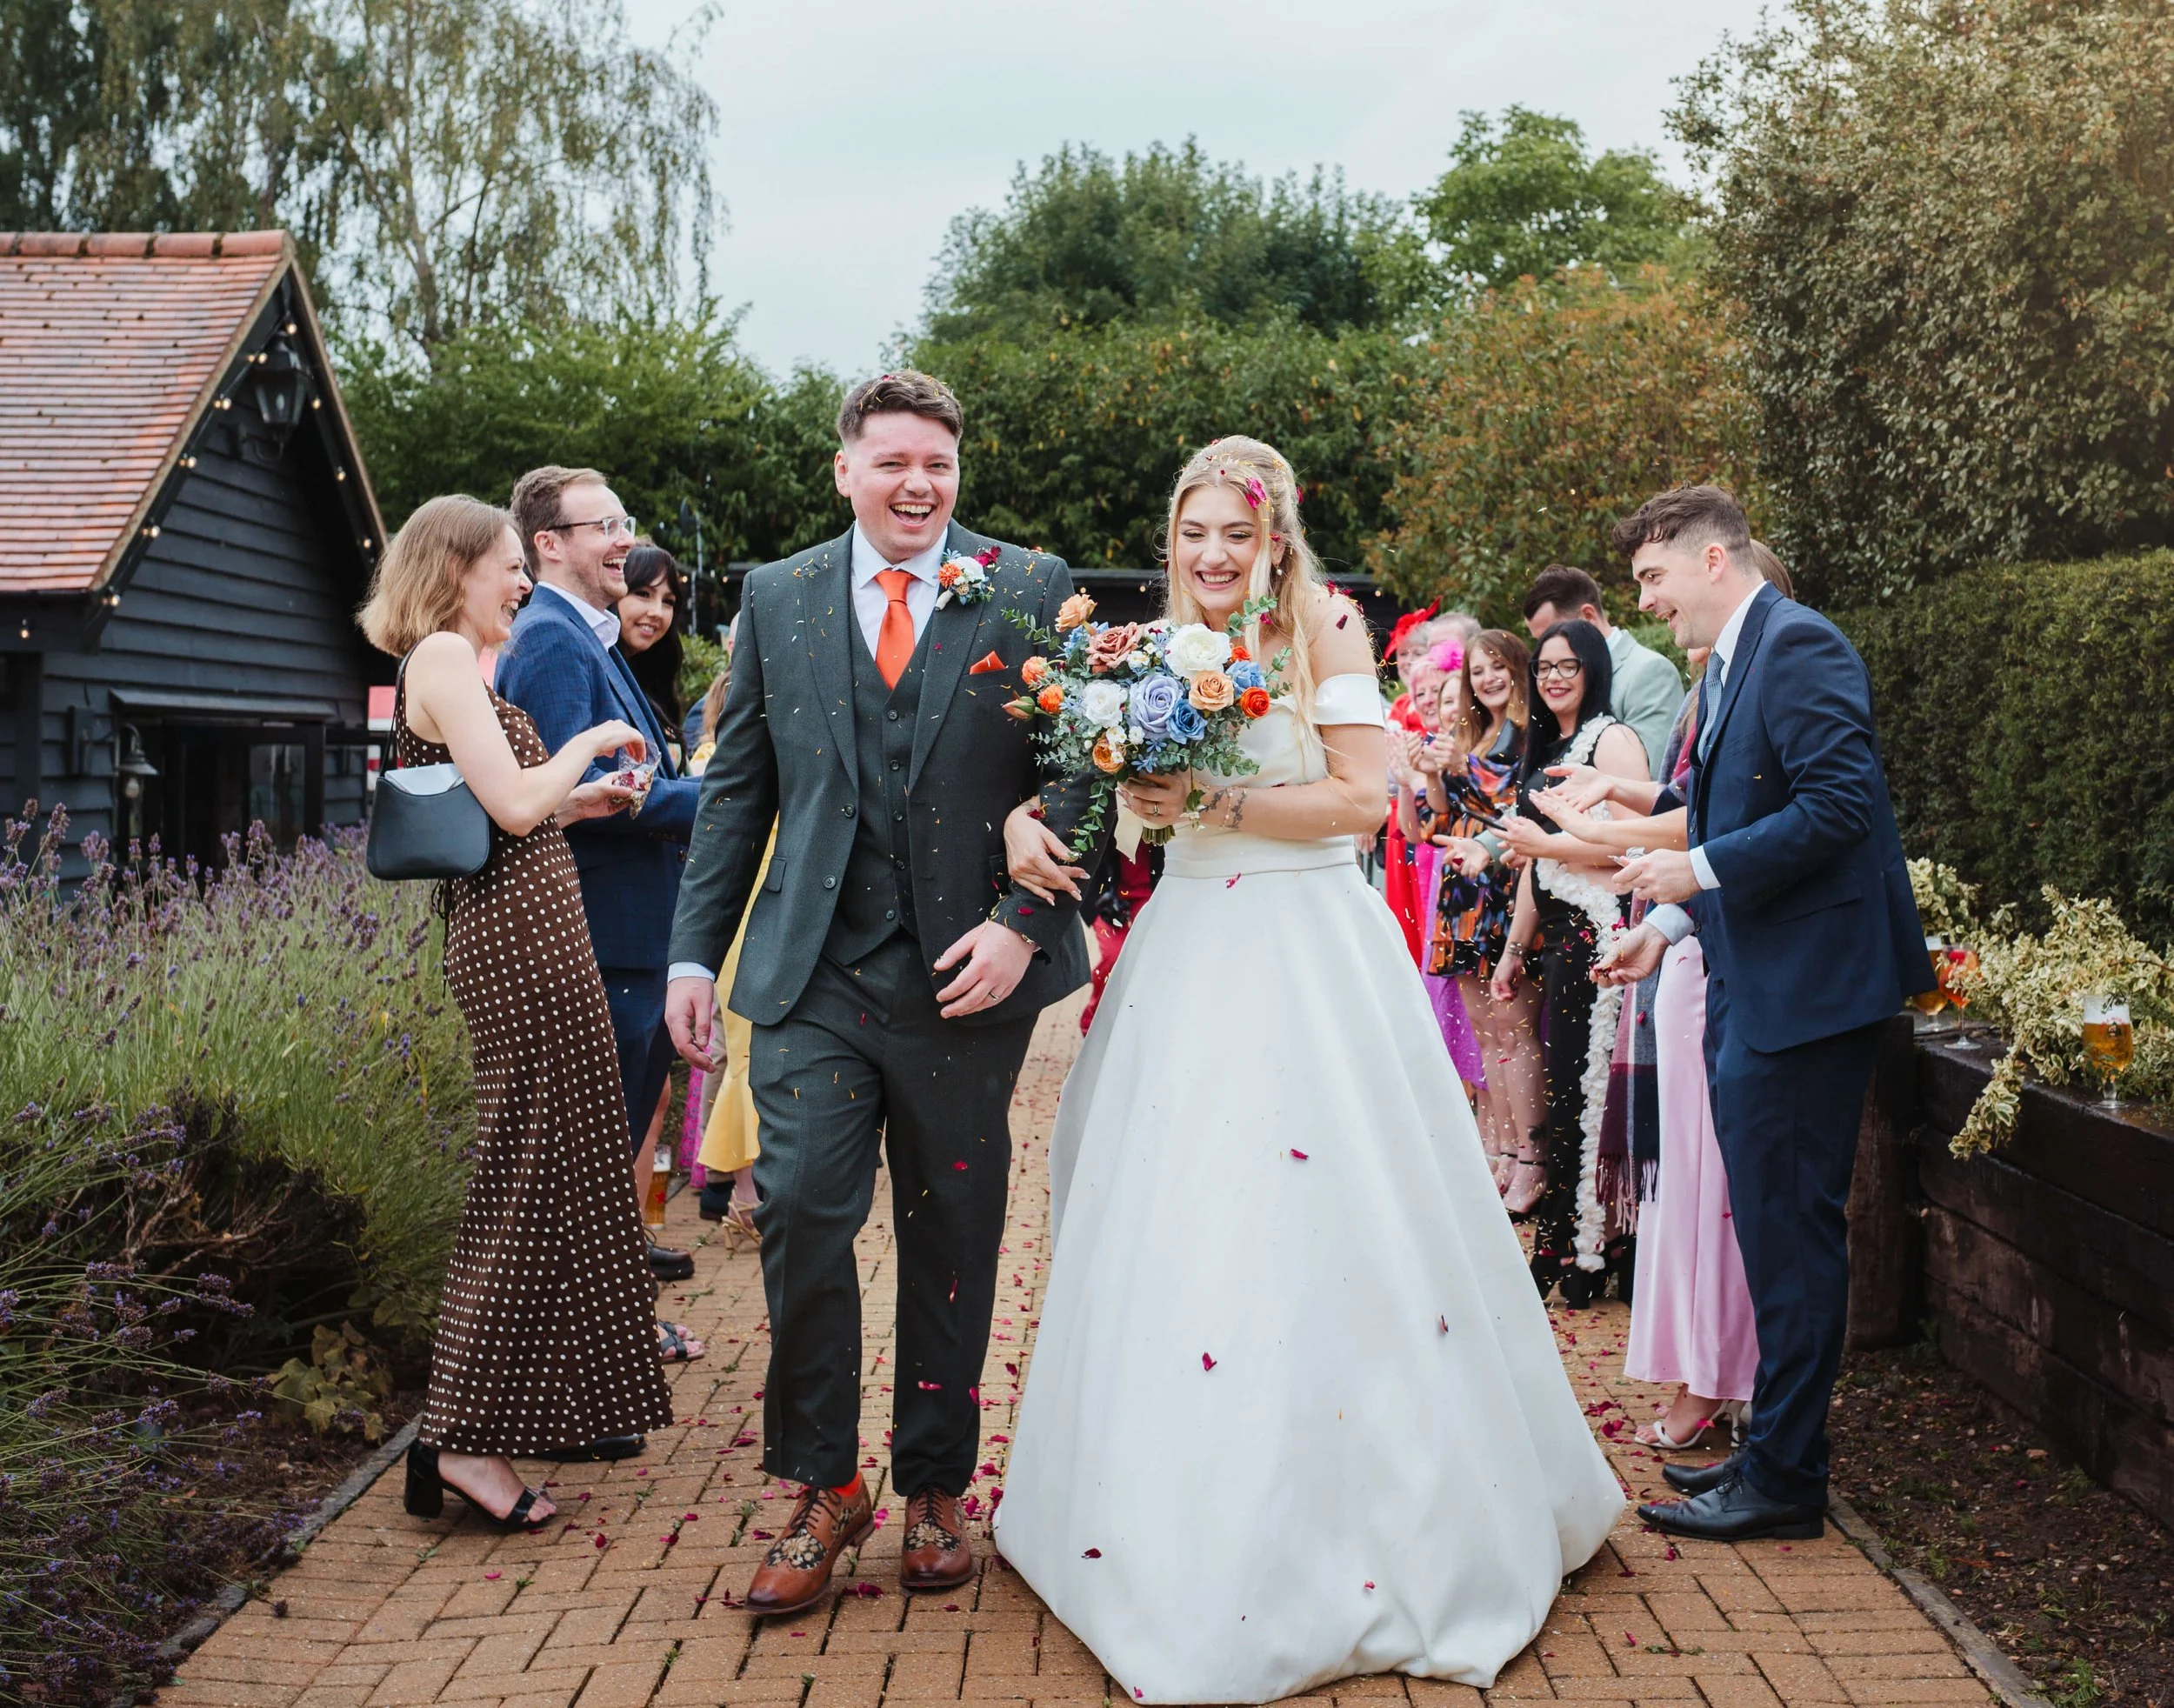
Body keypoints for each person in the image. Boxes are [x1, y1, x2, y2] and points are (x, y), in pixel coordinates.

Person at [991, 437, 1621, 1705]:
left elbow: (1356, 802)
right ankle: (1155, 1522)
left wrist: (1208, 804)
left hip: (1306, 941)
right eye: (1193, 536)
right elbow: (1120, 805)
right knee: (1184, 1215)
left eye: (1237, 535)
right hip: (1192, 947)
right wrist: (1125, 799)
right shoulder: (1150, 644)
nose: (1213, 557)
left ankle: (1384, 1522)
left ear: (1276, 538)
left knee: (1340, 1210)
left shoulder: (1325, 628)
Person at [660, 370, 1095, 1616]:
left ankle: (936, 1488)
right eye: (894, 461)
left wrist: (1025, 925)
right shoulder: (779, 596)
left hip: (969, 980)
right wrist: (696, 958)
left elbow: (1084, 773)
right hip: (811, 974)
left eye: (939, 466)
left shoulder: (1027, 585)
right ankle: (820, 1488)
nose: (918, 485)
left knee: (954, 1234)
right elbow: (740, 790)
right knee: (797, 1210)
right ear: (844, 468)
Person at [1597, 484, 1931, 1543]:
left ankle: (1786, 1478)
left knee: (1790, 1238)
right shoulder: (1737, 658)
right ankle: (1775, 1451)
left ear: (1710, 559)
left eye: (1653, 577)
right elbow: (1747, 807)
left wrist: (1688, 871)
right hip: (1756, 981)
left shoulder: (1798, 645)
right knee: (1774, 1237)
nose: (1649, 603)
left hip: (1809, 995)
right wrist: (1676, 927)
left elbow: (1838, 807)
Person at [357, 496, 673, 1527]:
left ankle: (519, 1415)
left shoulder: (460, 664)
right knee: (526, 1177)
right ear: (453, 568)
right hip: (517, 946)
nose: (520, 583)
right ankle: (459, 1442)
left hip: (535, 930)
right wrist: (589, 750)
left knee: (561, 1166)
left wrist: (586, 798)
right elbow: (514, 806)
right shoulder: (443, 658)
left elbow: (508, 807)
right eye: (506, 566)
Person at [496, 468, 702, 1293]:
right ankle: (584, 1356)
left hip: (633, 932)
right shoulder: (550, 636)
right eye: (604, 526)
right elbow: (580, 797)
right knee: (587, 1161)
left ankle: (610, 1338)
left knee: (607, 1158)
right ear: (550, 543)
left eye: (625, 520)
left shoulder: (589, 636)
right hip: (602, 936)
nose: (624, 538)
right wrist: (731, 798)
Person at [1490, 621, 1649, 1303]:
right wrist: (1511, 951)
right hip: (1554, 936)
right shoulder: (1547, 745)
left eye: (1568, 665)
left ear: (1593, 669)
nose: (1554, 677)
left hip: (1599, 934)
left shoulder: (1611, 740)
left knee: (1586, 1100)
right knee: (1562, 1100)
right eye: (1545, 667)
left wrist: (1548, 847)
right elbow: (1532, 865)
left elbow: (1632, 850)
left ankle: (1585, 1251)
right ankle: (1562, 1242)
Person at [1429, 630, 1542, 1207]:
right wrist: (1431, 772)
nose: (1487, 679)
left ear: (1518, 669)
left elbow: (1520, 807)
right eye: (1477, 672)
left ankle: (1531, 1157)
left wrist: (1460, 768)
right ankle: (1501, 1149)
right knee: (1486, 1031)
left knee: (1515, 1028)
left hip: (1506, 885)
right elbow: (1435, 819)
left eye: (1497, 667)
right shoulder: (1474, 733)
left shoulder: (1531, 735)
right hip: (1462, 892)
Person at [1524, 564, 1684, 775]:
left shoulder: (1648, 673)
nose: (1547, 645)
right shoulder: (1553, 682)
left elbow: (1654, 777)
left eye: (1553, 632)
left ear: (1588, 616)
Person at [618, 543, 690, 758]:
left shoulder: (655, 680)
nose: (657, 612)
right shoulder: (599, 674)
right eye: (643, 594)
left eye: (668, 602)